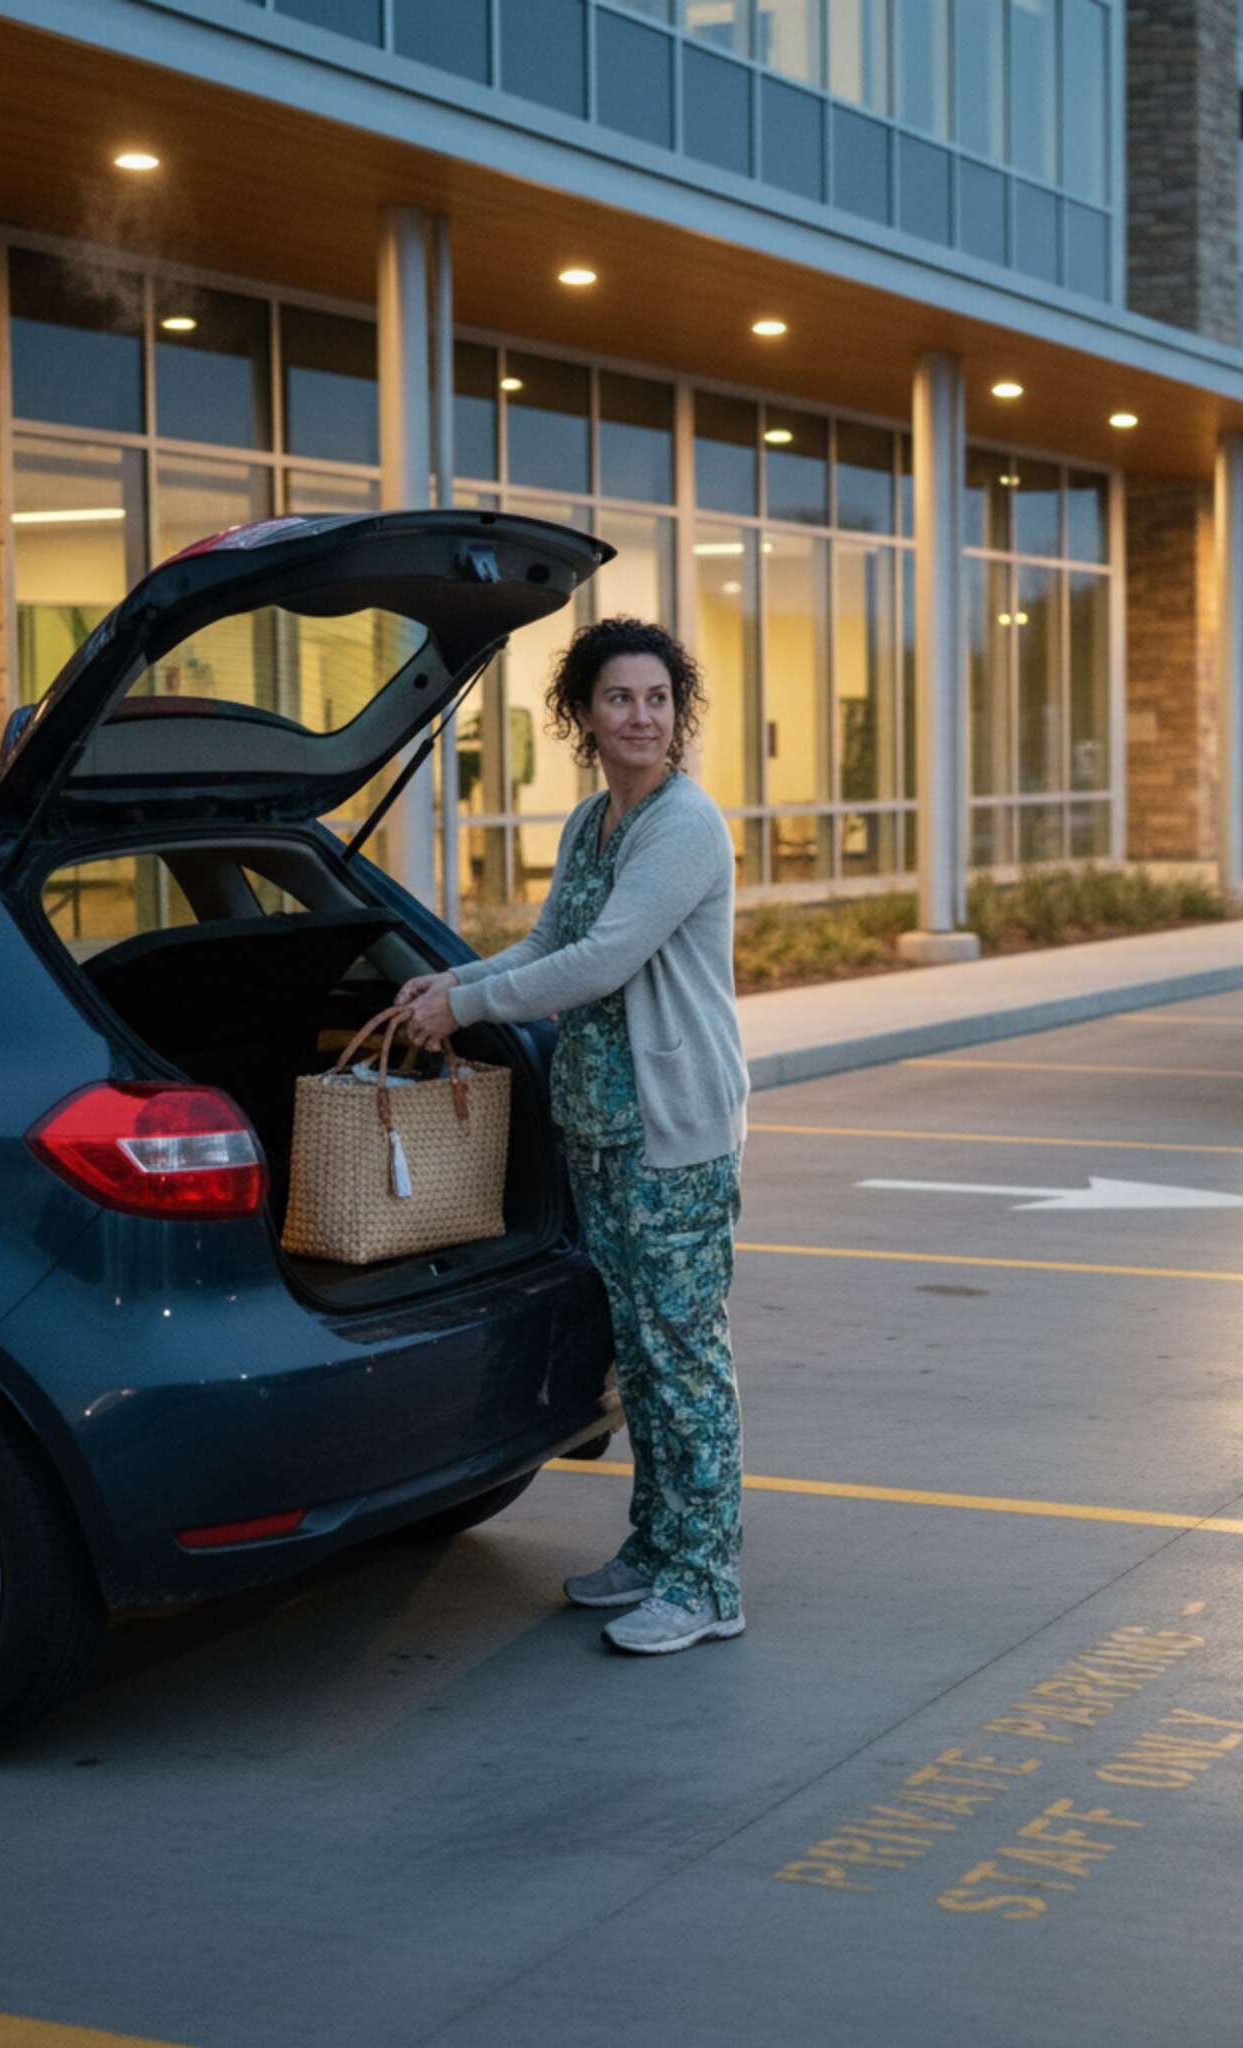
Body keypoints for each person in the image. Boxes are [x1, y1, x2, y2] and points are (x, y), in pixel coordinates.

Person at [395, 617, 750, 1658]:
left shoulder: (682, 825)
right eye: (618, 698)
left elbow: (601, 962)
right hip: (599, 1125)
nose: (641, 715)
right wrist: (451, 978)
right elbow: (551, 938)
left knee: (684, 1358)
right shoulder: (595, 821)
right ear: (582, 715)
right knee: (638, 1360)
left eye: (657, 697)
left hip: (671, 1130)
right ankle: (656, 1546)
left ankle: (706, 1576)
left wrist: (465, 1012)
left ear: (676, 713)